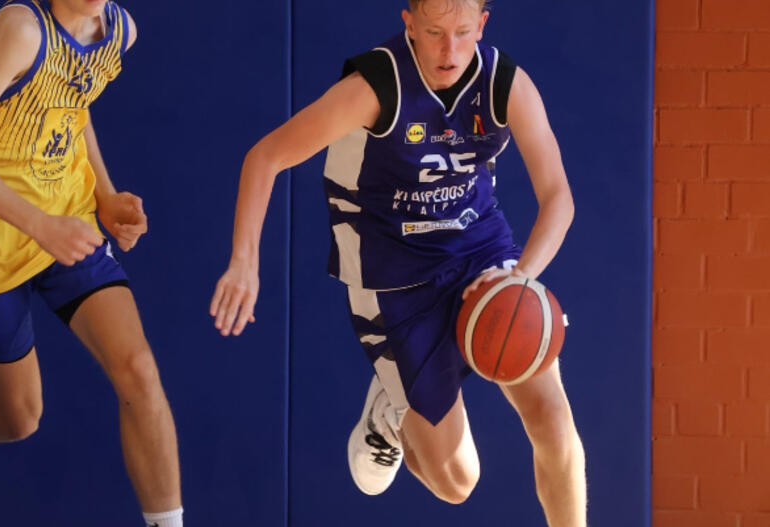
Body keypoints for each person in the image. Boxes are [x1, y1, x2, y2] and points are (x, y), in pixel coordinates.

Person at [210, 0, 585, 524]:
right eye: (434, 32)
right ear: (409, 24)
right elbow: (265, 156)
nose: (449, 50)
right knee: (457, 483)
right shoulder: (375, 87)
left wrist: (520, 279)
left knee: (553, 417)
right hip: (394, 274)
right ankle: (389, 414)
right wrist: (244, 261)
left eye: (462, 32)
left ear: (482, 24)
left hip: (481, 251)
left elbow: (559, 197)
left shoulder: (505, 84)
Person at [0, 1, 183, 526]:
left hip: (66, 220)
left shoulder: (119, 31)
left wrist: (104, 194)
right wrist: (40, 225)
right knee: (18, 417)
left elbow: (73, 105)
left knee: (139, 371)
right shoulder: (20, 31)